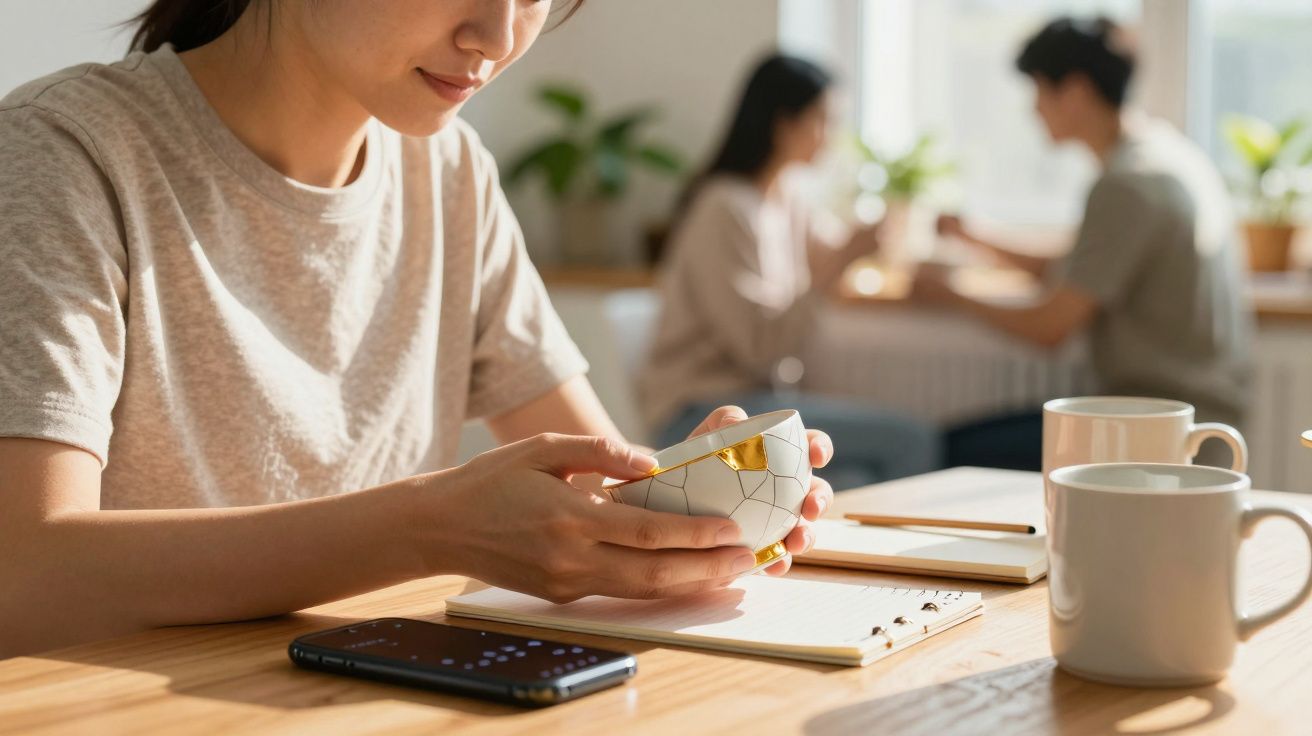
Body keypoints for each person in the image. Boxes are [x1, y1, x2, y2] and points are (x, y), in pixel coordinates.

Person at [0, 0, 837, 658]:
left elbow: (591, 487)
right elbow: (24, 574)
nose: (497, 37)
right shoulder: (65, 152)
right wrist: (431, 527)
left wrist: (689, 509)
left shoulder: (450, 172)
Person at [912, 17, 1253, 470]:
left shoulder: (1127, 186)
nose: (1034, 109)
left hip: (1155, 430)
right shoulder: (1166, 156)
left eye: (1038, 91)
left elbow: (1050, 327)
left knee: (945, 451)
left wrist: (949, 294)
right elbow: (1081, 264)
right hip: (1190, 414)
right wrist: (974, 236)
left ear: (1073, 90)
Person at [639, 54, 941, 491]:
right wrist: (843, 259)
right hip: (704, 414)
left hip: (759, 407)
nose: (832, 137)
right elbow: (760, 347)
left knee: (856, 478)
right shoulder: (724, 208)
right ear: (783, 124)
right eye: (824, 120)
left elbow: (834, 256)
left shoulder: (788, 200)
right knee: (910, 440)